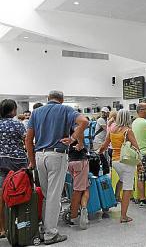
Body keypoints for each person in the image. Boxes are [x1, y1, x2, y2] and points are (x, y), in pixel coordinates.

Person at [25, 90, 88, 245]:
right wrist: (73, 138)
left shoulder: (36, 112)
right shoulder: (65, 109)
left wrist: (32, 161)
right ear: (62, 99)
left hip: (40, 156)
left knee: (47, 195)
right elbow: (84, 121)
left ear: (48, 99)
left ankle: (45, 228)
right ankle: (50, 234)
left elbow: (28, 139)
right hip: (57, 155)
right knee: (53, 196)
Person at [98, 109, 140, 223]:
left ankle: (116, 196)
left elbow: (105, 145)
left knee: (122, 179)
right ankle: (124, 216)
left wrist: (98, 152)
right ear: (128, 118)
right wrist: (139, 161)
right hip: (126, 162)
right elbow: (136, 147)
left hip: (115, 162)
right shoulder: (128, 131)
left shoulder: (111, 129)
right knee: (127, 188)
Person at [0, 99, 29, 238]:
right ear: (12, 110)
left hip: (1, 161)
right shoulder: (17, 124)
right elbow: (26, 141)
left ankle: (2, 228)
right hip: (18, 162)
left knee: (1, 194)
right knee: (21, 190)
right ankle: (22, 223)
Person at [67, 128, 90, 229]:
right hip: (80, 161)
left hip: (70, 161)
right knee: (80, 190)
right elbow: (80, 133)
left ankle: (79, 211)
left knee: (82, 187)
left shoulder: (62, 128)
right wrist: (80, 144)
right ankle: (75, 216)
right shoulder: (75, 127)